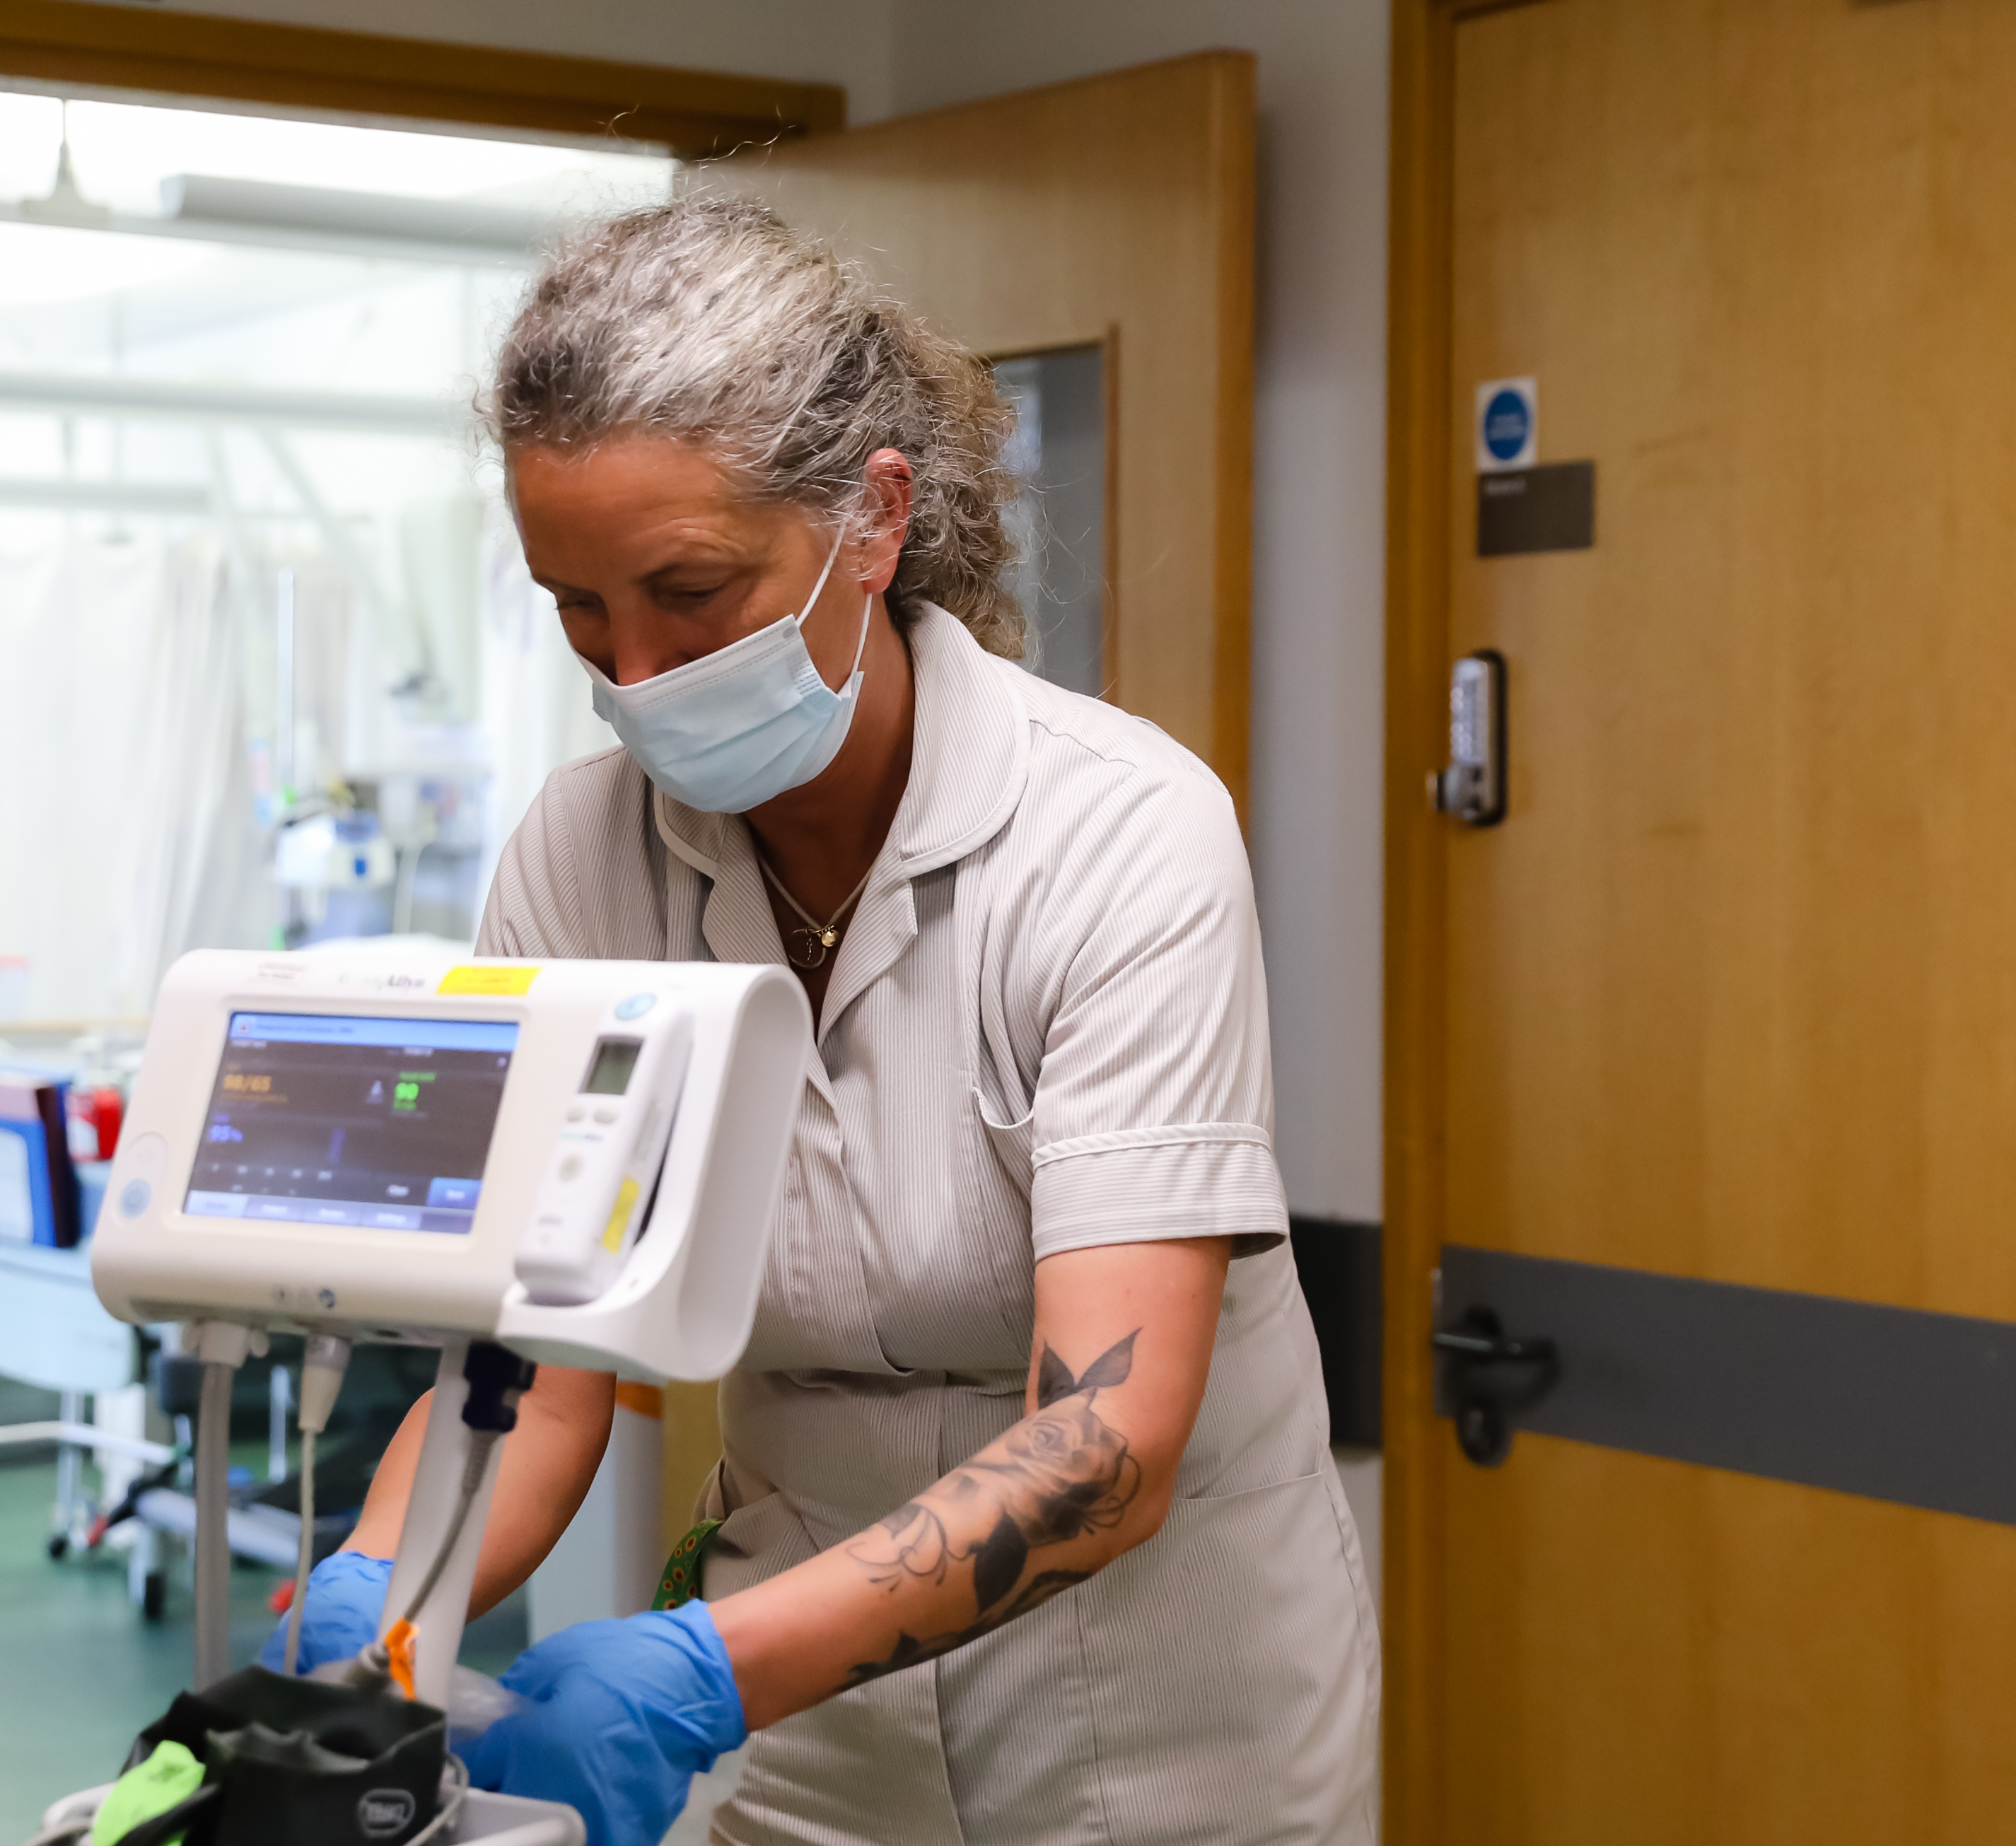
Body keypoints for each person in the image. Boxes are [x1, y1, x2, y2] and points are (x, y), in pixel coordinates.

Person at [269, 197, 1378, 1846]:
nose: (635, 676)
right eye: (579, 607)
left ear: (873, 518)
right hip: (810, 1720)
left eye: (690, 591)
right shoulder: (582, 863)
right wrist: (386, 1593)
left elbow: (1108, 1436)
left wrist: (697, 1671)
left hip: (1152, 1733)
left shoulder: (1118, 834)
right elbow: (545, 1380)